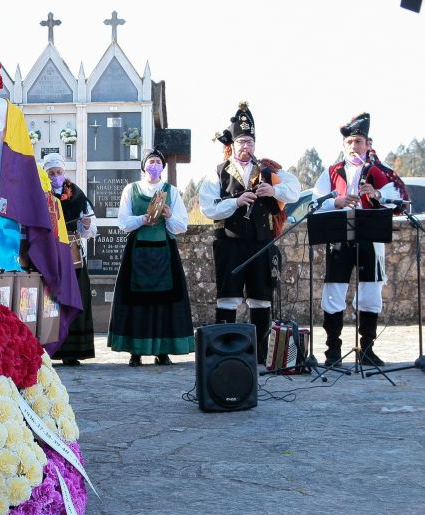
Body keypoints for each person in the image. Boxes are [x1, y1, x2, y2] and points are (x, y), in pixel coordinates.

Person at [199, 102, 300, 363]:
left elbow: (295, 189)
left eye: (250, 142)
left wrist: (274, 191)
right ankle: (226, 352)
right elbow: (208, 208)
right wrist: (235, 202)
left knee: (261, 299)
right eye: (242, 141)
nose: (247, 147)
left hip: (261, 244)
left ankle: (260, 355)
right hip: (229, 244)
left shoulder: (268, 169)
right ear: (233, 144)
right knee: (228, 297)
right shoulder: (217, 173)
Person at [312, 113, 400, 367]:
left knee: (371, 293)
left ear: (367, 144)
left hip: (370, 239)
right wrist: (335, 202)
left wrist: (377, 193)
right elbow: (315, 201)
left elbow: (399, 198)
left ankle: (367, 350)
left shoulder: (379, 171)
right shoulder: (332, 172)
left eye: (358, 141)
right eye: (350, 142)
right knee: (334, 292)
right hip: (340, 239)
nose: (354, 146)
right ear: (344, 145)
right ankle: (333, 351)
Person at [107, 148, 194, 366]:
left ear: (162, 167)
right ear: (144, 165)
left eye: (158, 161)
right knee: (136, 302)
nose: (154, 165)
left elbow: (181, 225)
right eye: (151, 161)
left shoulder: (171, 191)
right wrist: (141, 219)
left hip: (164, 251)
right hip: (138, 253)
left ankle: (162, 351)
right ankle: (135, 352)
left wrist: (169, 214)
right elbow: (123, 222)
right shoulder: (131, 189)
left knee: (164, 302)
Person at [42, 153, 97, 366]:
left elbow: (90, 228)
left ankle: (72, 351)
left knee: (75, 296)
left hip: (72, 252)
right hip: (49, 253)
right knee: (52, 299)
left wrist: (83, 224)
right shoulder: (41, 194)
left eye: (59, 172)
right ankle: (48, 348)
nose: (56, 176)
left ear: (64, 173)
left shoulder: (76, 194)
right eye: (51, 173)